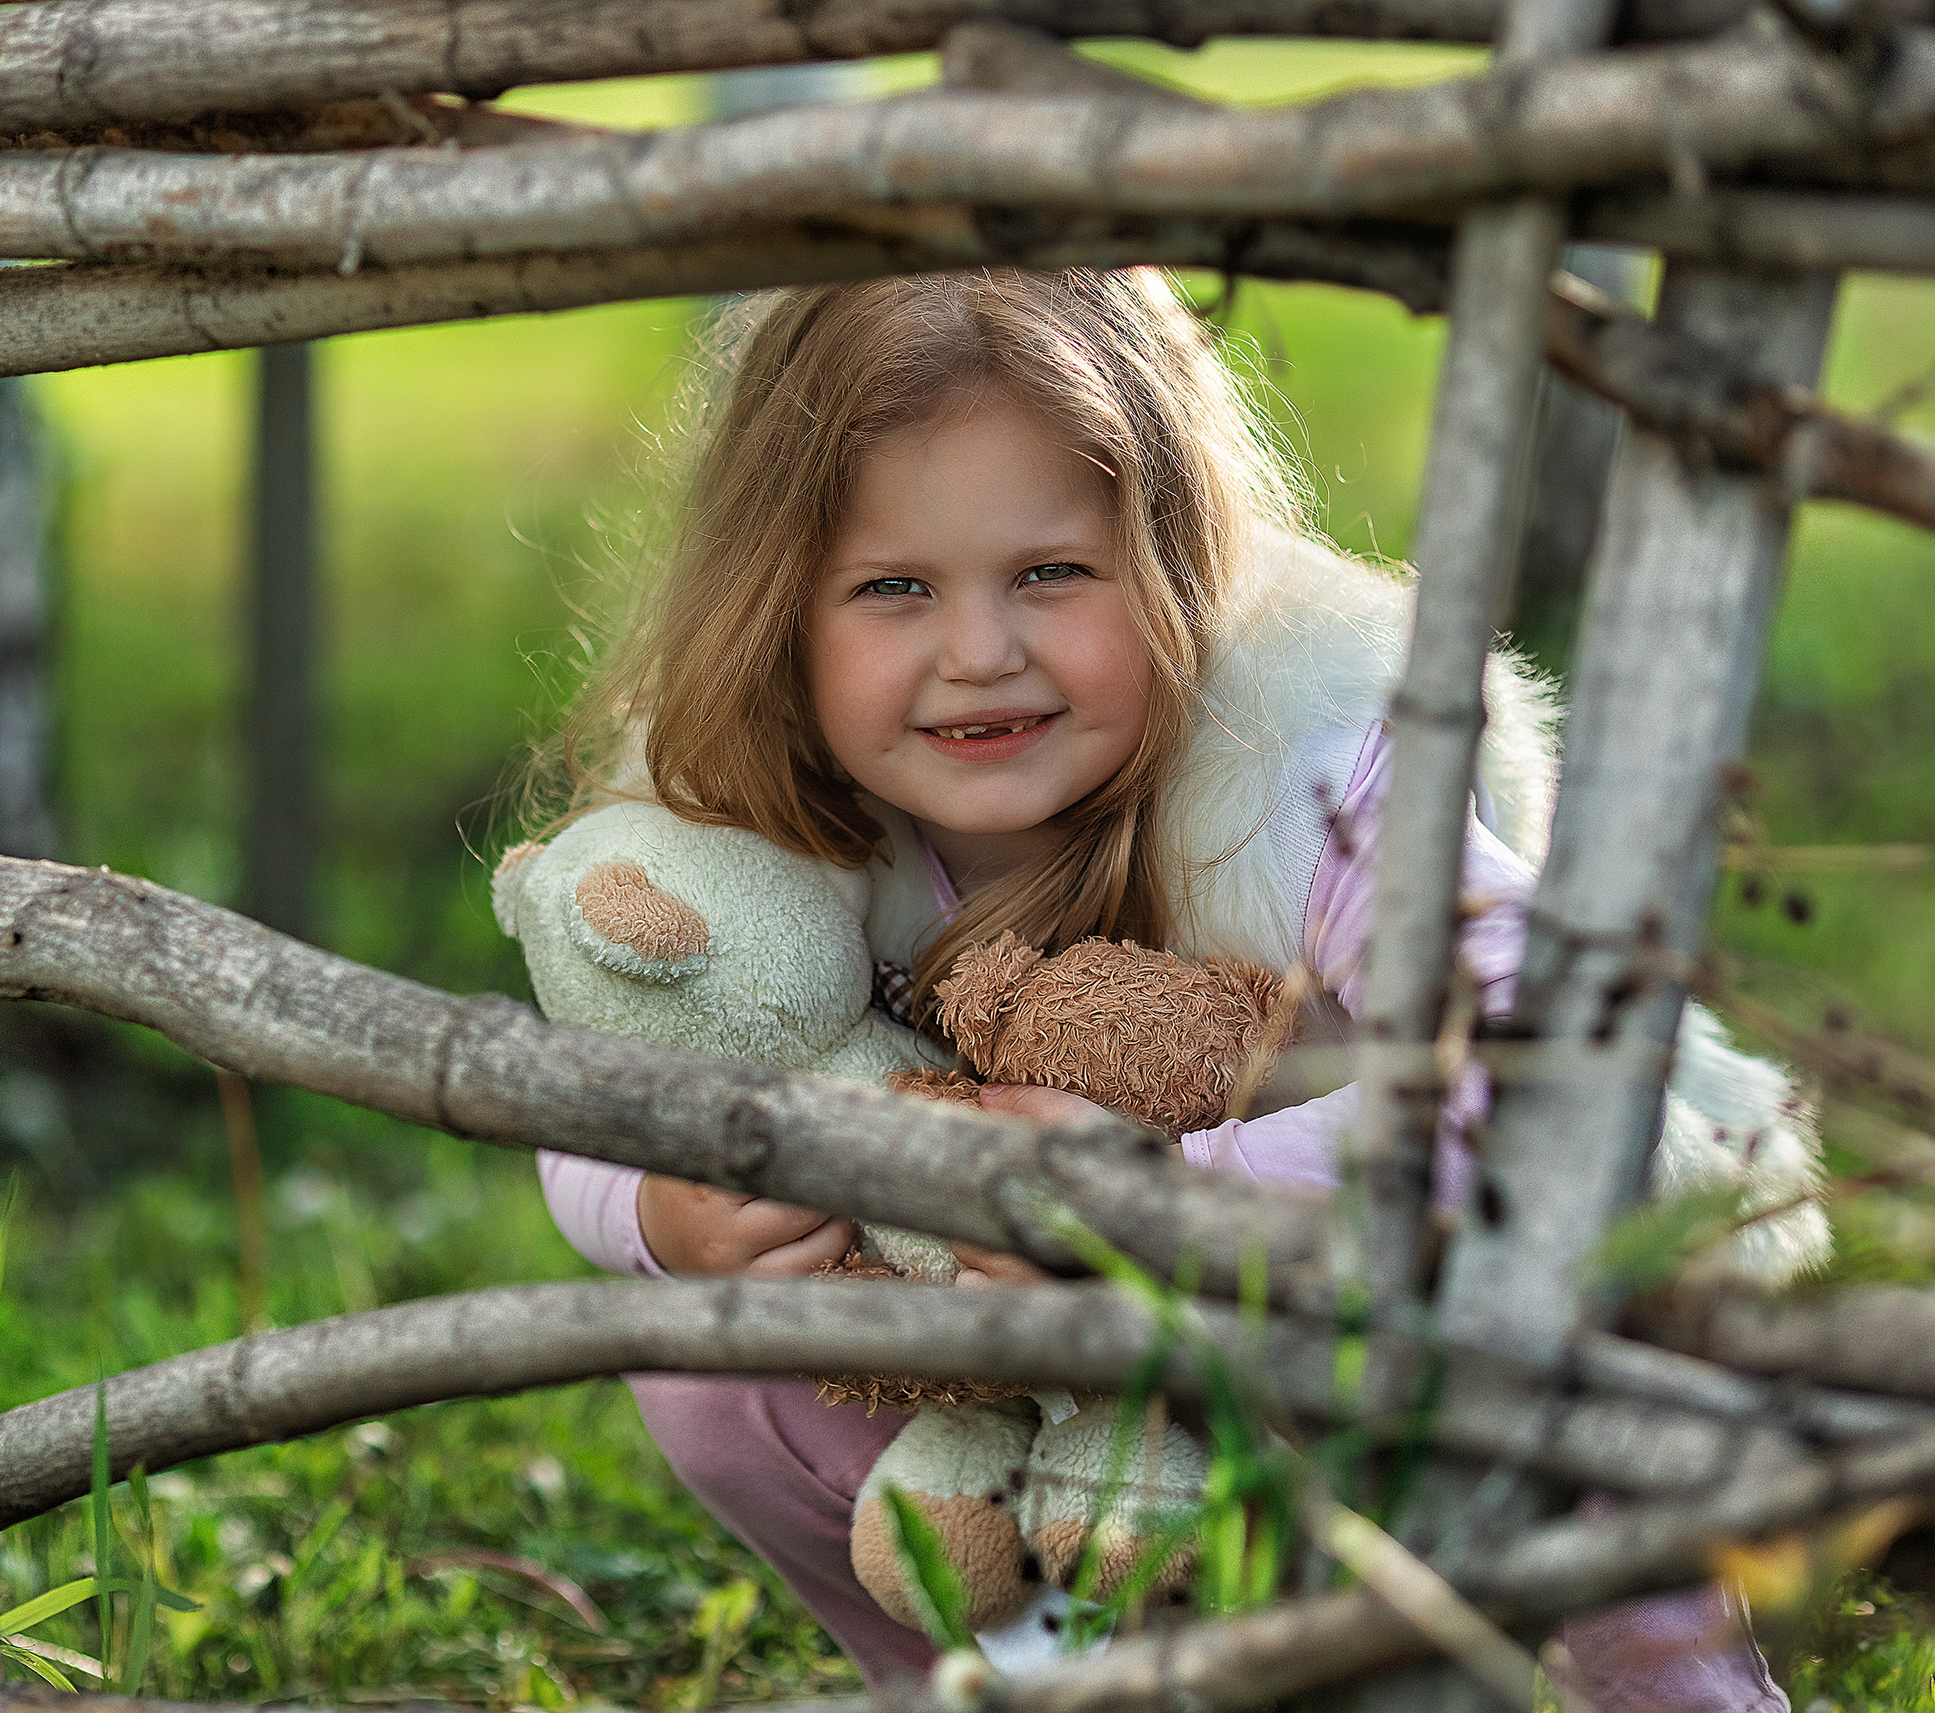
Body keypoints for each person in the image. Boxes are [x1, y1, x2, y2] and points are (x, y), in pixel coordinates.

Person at [523, 268, 1788, 1710]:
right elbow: (608, 1085)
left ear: (1177, 557)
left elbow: (1557, 1075)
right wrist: (660, 1212)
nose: (980, 652)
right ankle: (1024, 1677)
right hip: (1064, 1436)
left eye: (1051, 571)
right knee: (715, 1364)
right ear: (779, 612)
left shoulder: (1310, 777)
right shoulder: (764, 834)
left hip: (1379, 1364)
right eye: (893, 588)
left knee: (1571, 1353)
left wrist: (1176, 1191)